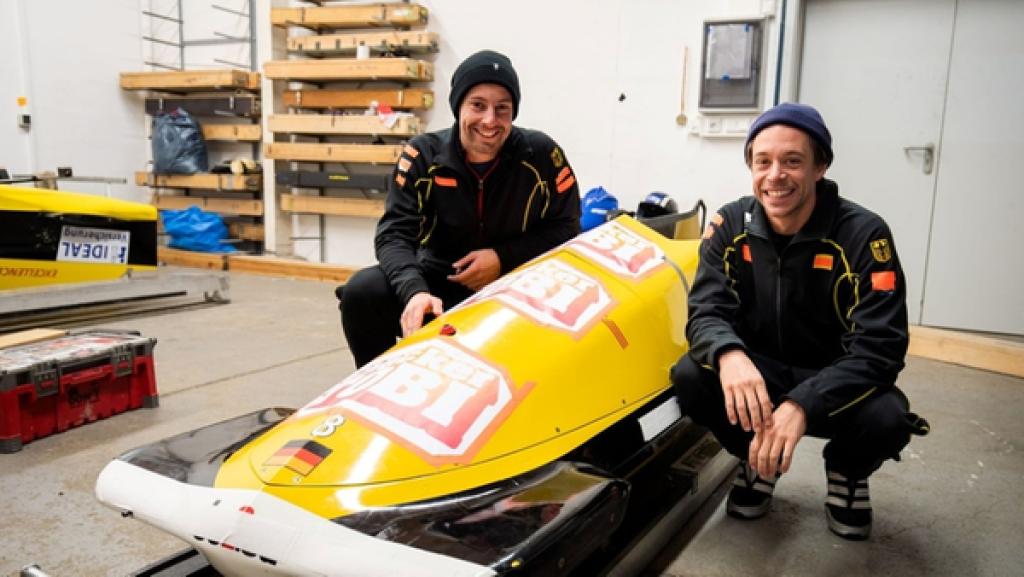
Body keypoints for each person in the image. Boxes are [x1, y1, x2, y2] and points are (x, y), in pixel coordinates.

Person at [671, 102, 928, 540]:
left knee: (888, 418)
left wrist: (803, 403)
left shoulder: (864, 234)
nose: (775, 176)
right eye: (763, 162)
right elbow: (706, 310)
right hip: (760, 376)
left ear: (819, 167)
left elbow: (880, 348)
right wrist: (729, 354)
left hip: (836, 383)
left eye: (792, 161)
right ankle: (759, 460)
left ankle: (847, 470)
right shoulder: (730, 223)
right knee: (692, 376)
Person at [339, 50, 581, 368]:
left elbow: (567, 228)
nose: (490, 120)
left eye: (502, 108)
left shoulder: (542, 155)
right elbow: (394, 235)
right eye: (478, 105)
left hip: (513, 289)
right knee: (362, 292)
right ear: (458, 107)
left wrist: (502, 258)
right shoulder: (421, 156)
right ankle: (380, 386)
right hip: (438, 289)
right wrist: (415, 292)